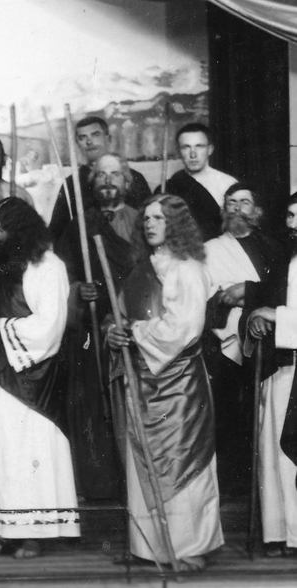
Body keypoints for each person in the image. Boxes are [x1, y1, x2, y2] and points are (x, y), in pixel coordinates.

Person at [107, 195, 223, 570]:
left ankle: (189, 547)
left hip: (179, 385)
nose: (150, 224)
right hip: (142, 378)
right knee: (143, 459)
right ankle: (151, 547)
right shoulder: (142, 267)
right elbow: (120, 313)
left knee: (183, 460)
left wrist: (135, 330)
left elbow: (185, 328)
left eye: (159, 218)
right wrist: (114, 333)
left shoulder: (188, 269)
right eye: (147, 218)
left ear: (177, 224)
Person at [0, 198, 79, 558]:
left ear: (21, 229)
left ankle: (31, 533)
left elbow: (50, 324)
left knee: (27, 451)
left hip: (30, 374)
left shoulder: (48, 265)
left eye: (1, 228)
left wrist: (1, 325)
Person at [55, 153, 139, 501]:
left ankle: (134, 481)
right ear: (92, 183)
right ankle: (100, 485)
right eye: (101, 175)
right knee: (91, 405)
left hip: (131, 326)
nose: (108, 181)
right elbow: (63, 274)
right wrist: (79, 291)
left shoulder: (141, 220)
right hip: (90, 329)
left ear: (127, 180)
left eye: (115, 174)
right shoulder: (80, 223)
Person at [204, 183, 283, 496]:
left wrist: (245, 291)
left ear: (257, 210)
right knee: (225, 416)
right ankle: (228, 489)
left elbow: (281, 293)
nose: (238, 209)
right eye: (231, 203)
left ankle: (260, 491)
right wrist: (229, 296)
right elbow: (209, 294)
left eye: (245, 202)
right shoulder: (210, 249)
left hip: (268, 342)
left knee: (260, 416)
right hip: (223, 343)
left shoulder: (275, 248)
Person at [241, 192, 297, 556]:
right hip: (281, 369)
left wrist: (279, 316)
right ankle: (279, 534)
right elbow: (262, 305)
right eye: (290, 216)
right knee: (273, 451)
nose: (292, 224)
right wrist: (257, 321)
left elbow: (281, 311)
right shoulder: (283, 260)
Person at [48, 117, 150, 240]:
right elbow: (57, 231)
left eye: (95, 135)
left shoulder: (134, 178)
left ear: (109, 138)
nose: (89, 142)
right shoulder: (71, 184)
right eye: (82, 137)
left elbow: (149, 221)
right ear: (77, 144)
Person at [160, 123, 237, 241]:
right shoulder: (169, 186)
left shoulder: (227, 184)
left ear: (210, 149)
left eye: (199, 146)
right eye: (186, 147)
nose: (193, 154)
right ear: (178, 151)